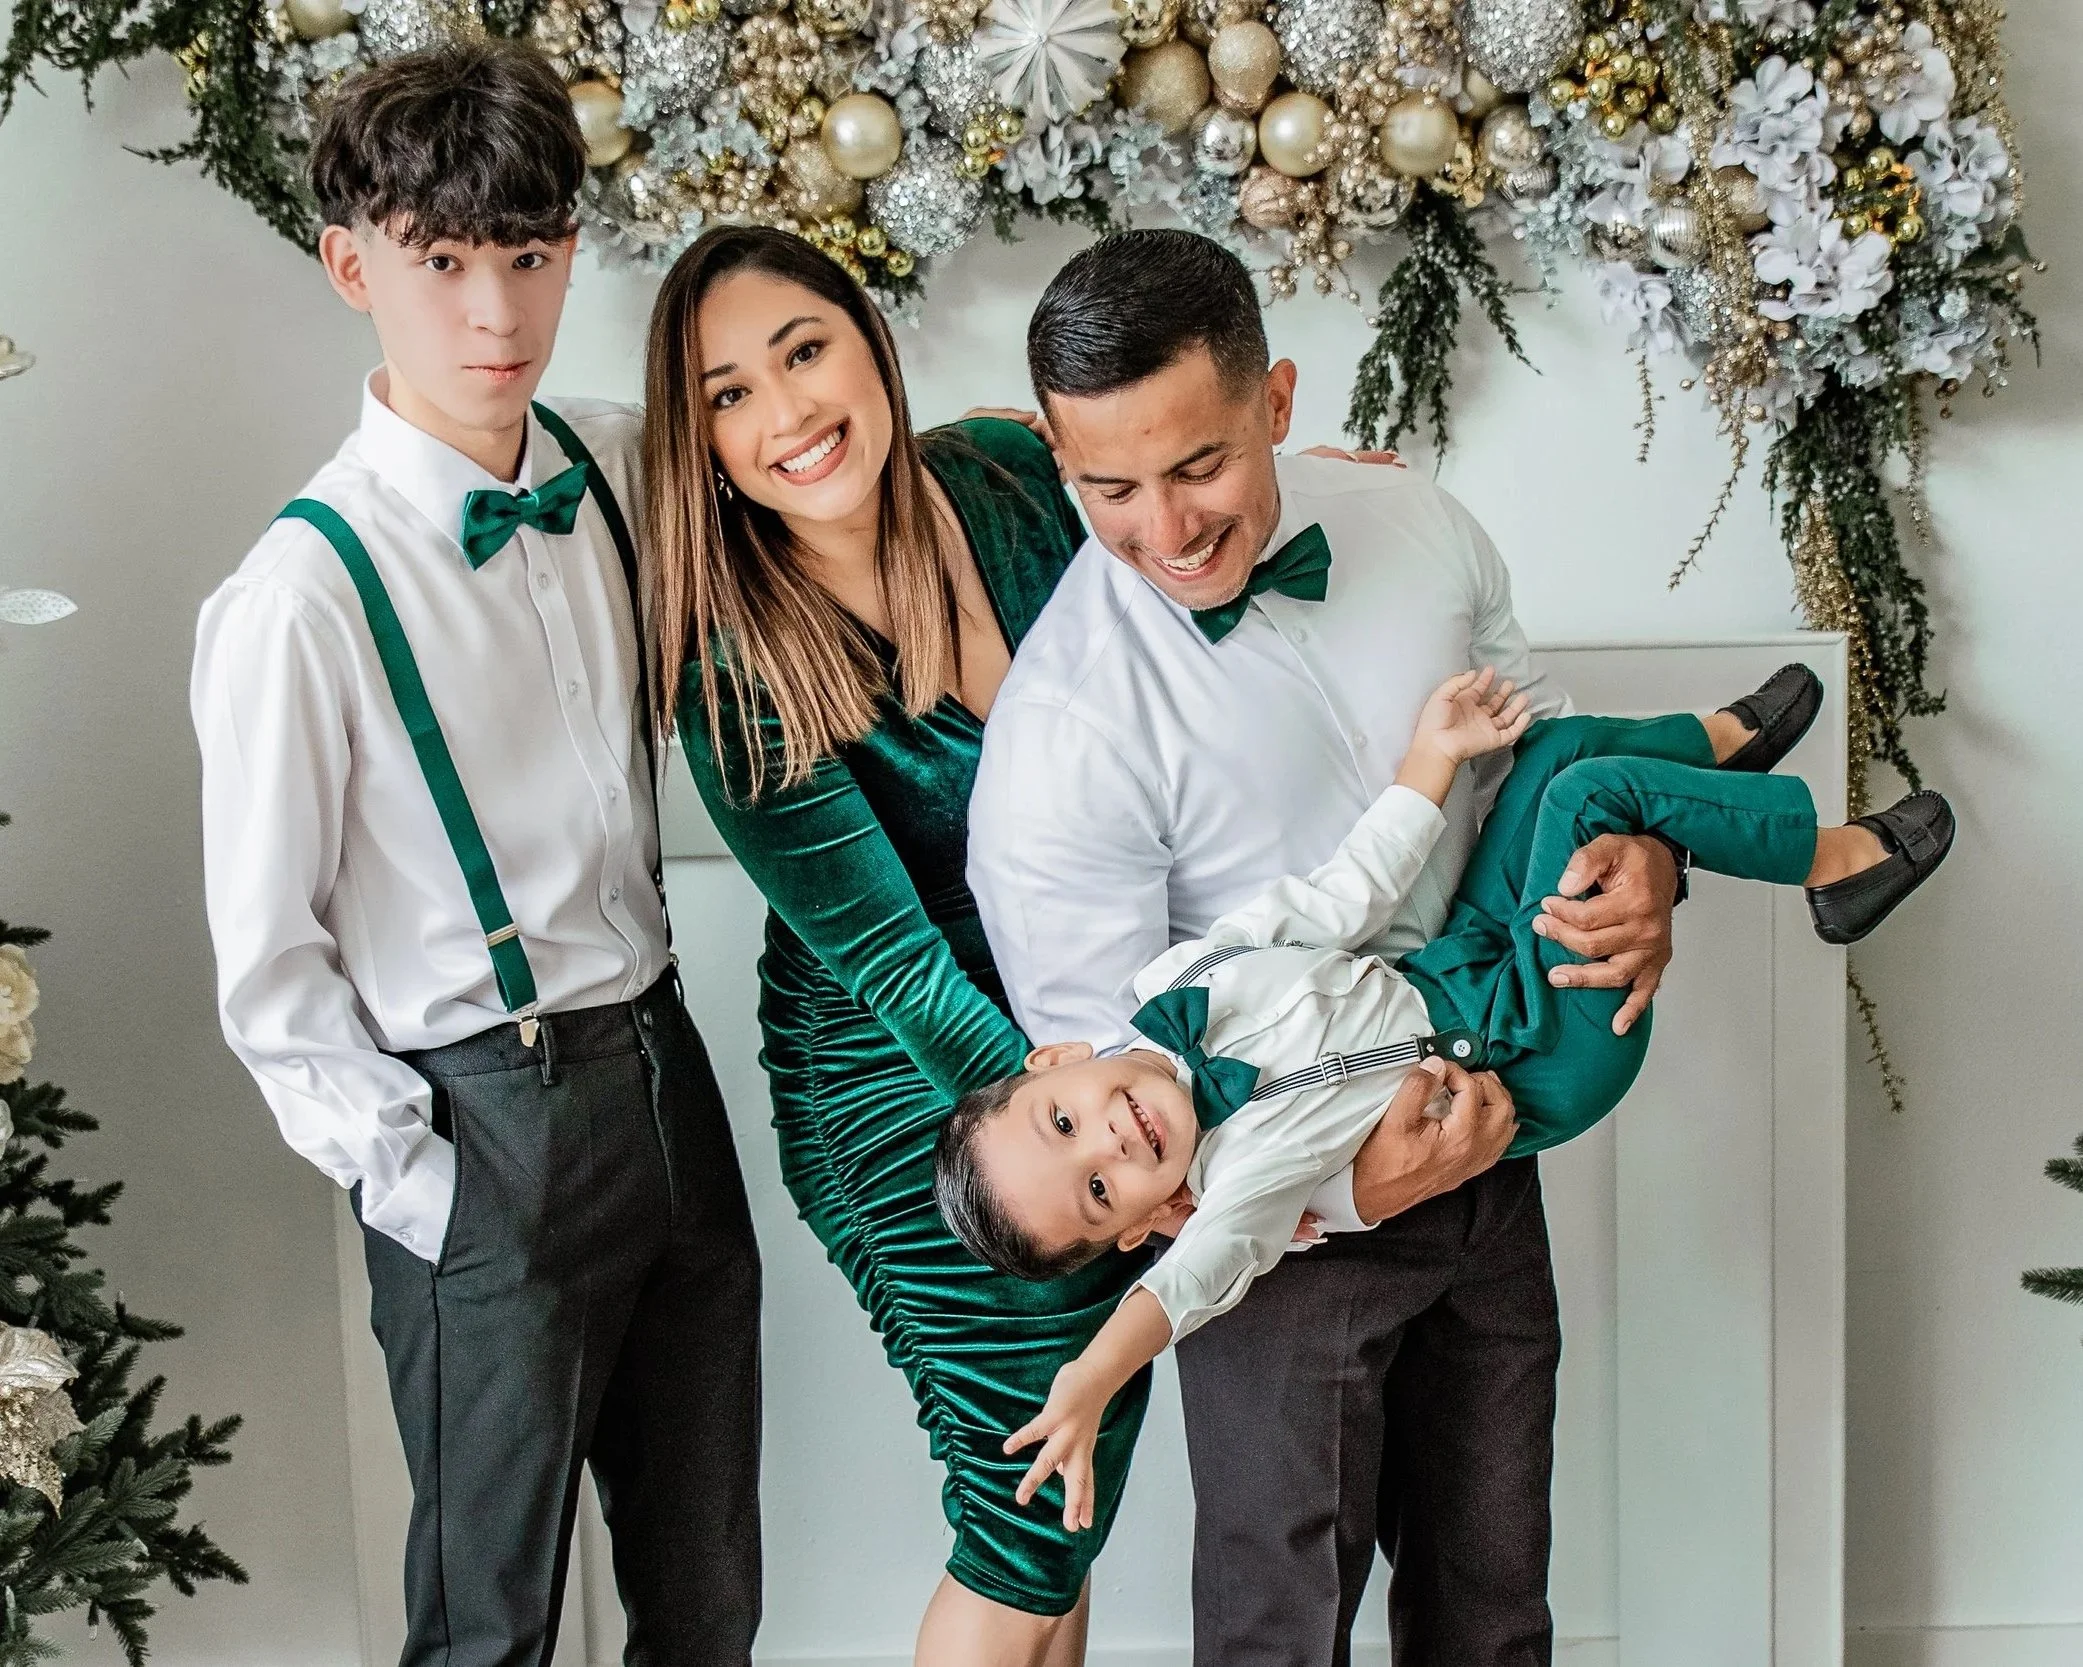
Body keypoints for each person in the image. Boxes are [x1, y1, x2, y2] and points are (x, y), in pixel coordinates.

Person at [646, 223, 1504, 1667]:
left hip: (1108, 1036)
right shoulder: (732, 663)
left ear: (868, 341)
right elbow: (906, 972)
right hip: (931, 1082)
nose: (787, 411)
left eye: (803, 351)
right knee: (1023, 1512)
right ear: (701, 441)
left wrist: (1340, 497)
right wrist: (1138, 1131)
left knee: (1073, 1495)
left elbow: (1188, 512)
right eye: (728, 392)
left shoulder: (1010, 478)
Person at [965, 228, 1689, 1666]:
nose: (1164, 529)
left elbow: (1544, 747)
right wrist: (1355, 1187)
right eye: (1108, 487)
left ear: (1275, 401)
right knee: (1276, 1637)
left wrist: (1645, 858)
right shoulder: (1056, 746)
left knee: (1493, 1612)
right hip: (1280, 1241)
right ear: (1058, 460)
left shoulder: (1414, 517)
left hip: (1494, 1131)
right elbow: (1116, 1113)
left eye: (1199, 467)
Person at [190, 45, 761, 1667]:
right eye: (443, 264)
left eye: (530, 255)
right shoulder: (300, 595)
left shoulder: (603, 463)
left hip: (662, 1072)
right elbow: (269, 963)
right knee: (488, 1621)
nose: (495, 313)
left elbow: (830, 448)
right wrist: (417, 1178)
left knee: (707, 1587)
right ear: (352, 264)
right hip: (478, 1117)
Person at [947, 661, 1951, 1524]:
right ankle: (1836, 867)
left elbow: (1340, 899)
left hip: (1459, 960)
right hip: (1532, 1046)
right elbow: (1187, 1284)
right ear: (1134, 1225)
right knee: (1590, 798)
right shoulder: (1242, 1179)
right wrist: (1092, 1374)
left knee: (1555, 754)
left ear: (1055, 1059)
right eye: (1094, 1189)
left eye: (1064, 1121)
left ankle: (1718, 748)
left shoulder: (1177, 985)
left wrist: (1432, 755)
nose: (1109, 1143)